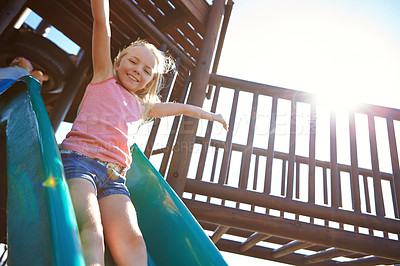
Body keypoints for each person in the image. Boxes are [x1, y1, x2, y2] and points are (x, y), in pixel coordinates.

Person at [59, 0, 228, 265]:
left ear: (150, 80)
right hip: (79, 161)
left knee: (133, 240)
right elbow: (102, 26)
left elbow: (182, 108)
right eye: (133, 62)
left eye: (146, 70)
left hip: (115, 178)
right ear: (118, 61)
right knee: (90, 228)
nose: (138, 70)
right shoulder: (104, 77)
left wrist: (212, 115)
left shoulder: (142, 106)